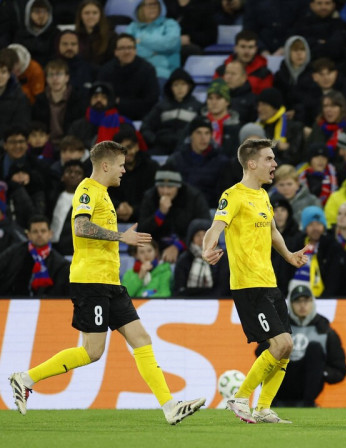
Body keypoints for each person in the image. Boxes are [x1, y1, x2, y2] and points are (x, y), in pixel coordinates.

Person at [8, 141, 205, 423]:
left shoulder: (103, 193)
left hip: (109, 282)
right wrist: (121, 236)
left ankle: (170, 406)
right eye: (121, 165)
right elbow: (80, 226)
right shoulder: (87, 190)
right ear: (105, 165)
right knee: (92, 351)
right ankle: (25, 378)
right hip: (90, 281)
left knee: (141, 339)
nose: (124, 170)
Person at [202, 138, 310, 424]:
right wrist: (206, 248)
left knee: (286, 349)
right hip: (248, 286)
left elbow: (273, 230)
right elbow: (216, 226)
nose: (274, 164)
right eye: (269, 159)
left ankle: (263, 408)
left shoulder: (263, 196)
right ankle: (240, 397)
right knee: (281, 342)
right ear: (252, 163)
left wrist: (289, 256)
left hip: (269, 282)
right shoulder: (233, 195)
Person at [261, 285, 346, 407]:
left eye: (306, 300)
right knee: (267, 349)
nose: (302, 305)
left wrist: (321, 373)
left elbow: (340, 370)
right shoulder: (279, 328)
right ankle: (269, 401)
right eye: (297, 301)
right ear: (290, 304)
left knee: (315, 348)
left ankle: (308, 403)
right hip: (283, 379)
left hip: (308, 383)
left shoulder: (325, 330)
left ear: (312, 302)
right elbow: (260, 353)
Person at [0, 214, 70, 296]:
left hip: (47, 305)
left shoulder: (60, 264)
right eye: (35, 231)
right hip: (12, 301)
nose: (39, 234)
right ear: (28, 235)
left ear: (50, 234)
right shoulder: (13, 253)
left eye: (43, 231)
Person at [96, 34, 160, 121]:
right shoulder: (106, 70)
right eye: (122, 48)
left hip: (140, 119)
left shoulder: (147, 70)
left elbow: (151, 102)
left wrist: (120, 102)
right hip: (111, 118)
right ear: (115, 52)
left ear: (135, 50)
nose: (127, 52)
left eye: (130, 48)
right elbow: (101, 99)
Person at [126, 0, 181, 83]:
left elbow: (171, 44)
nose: (152, 8)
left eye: (155, 4)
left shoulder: (170, 24)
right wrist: (153, 52)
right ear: (140, 8)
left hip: (165, 73)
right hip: (137, 72)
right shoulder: (133, 27)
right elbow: (127, 48)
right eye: (148, 4)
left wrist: (142, 40)